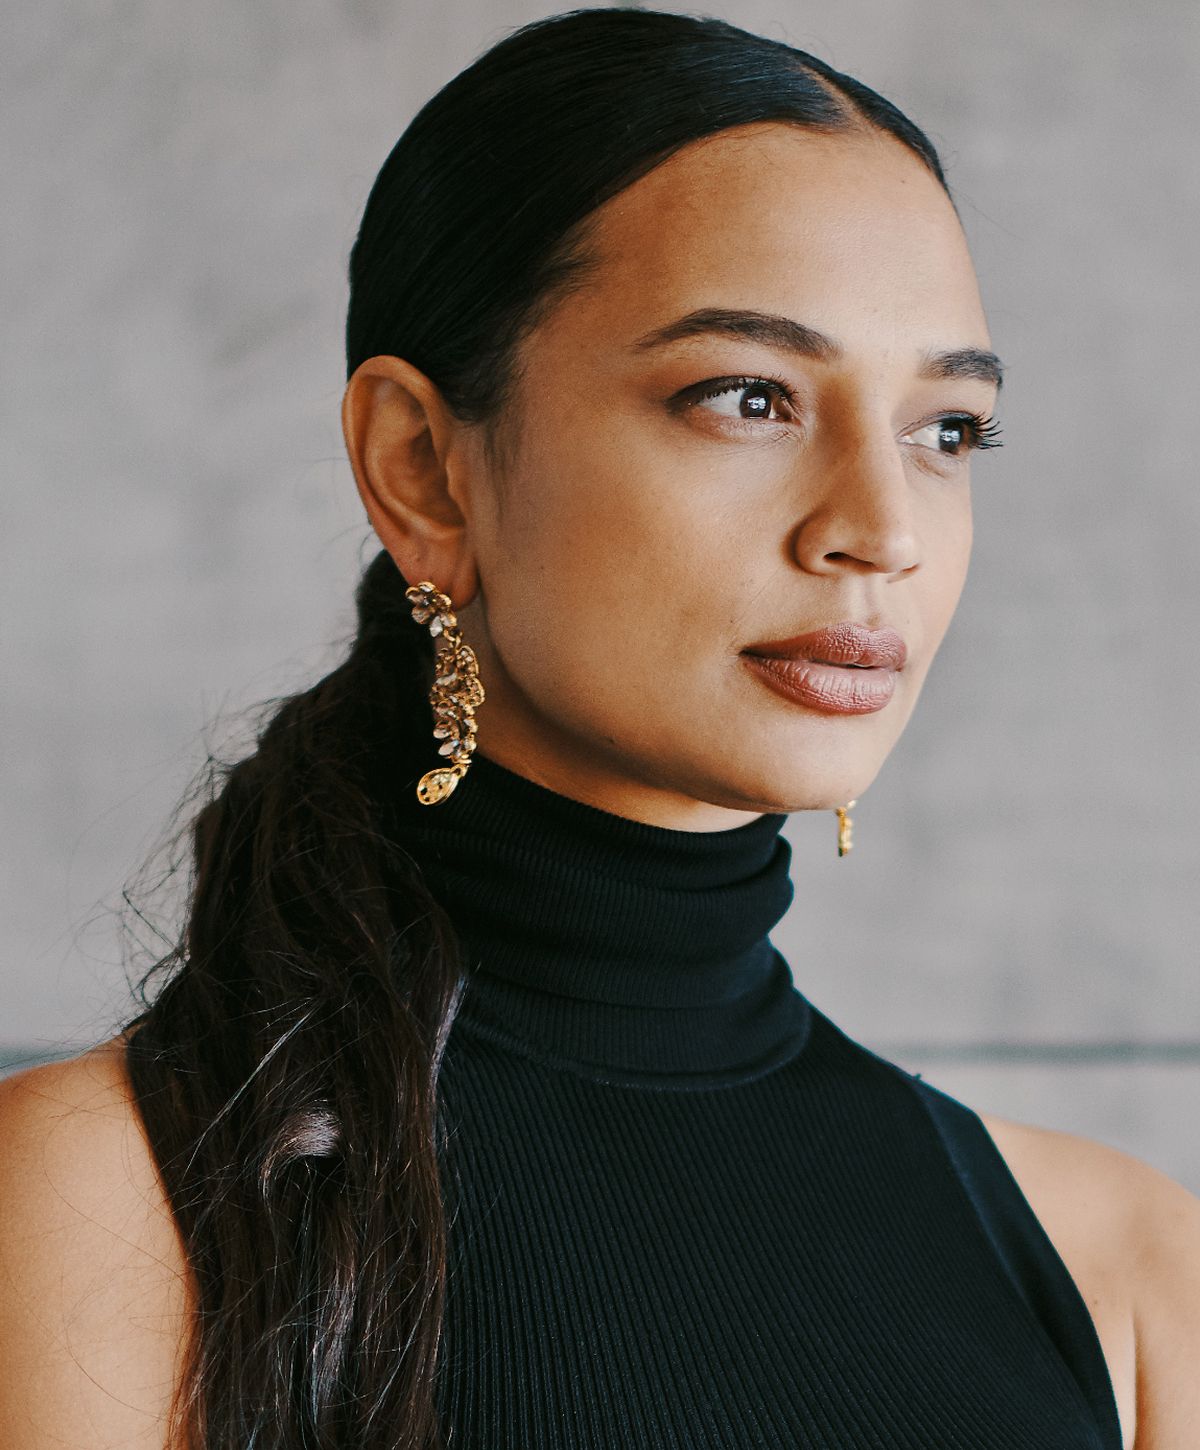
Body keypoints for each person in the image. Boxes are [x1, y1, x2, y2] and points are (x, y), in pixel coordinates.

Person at [0, 7, 1196, 1448]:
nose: (882, 529)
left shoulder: (1126, 1274)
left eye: (947, 430)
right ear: (422, 467)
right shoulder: (95, 1209)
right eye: (748, 397)